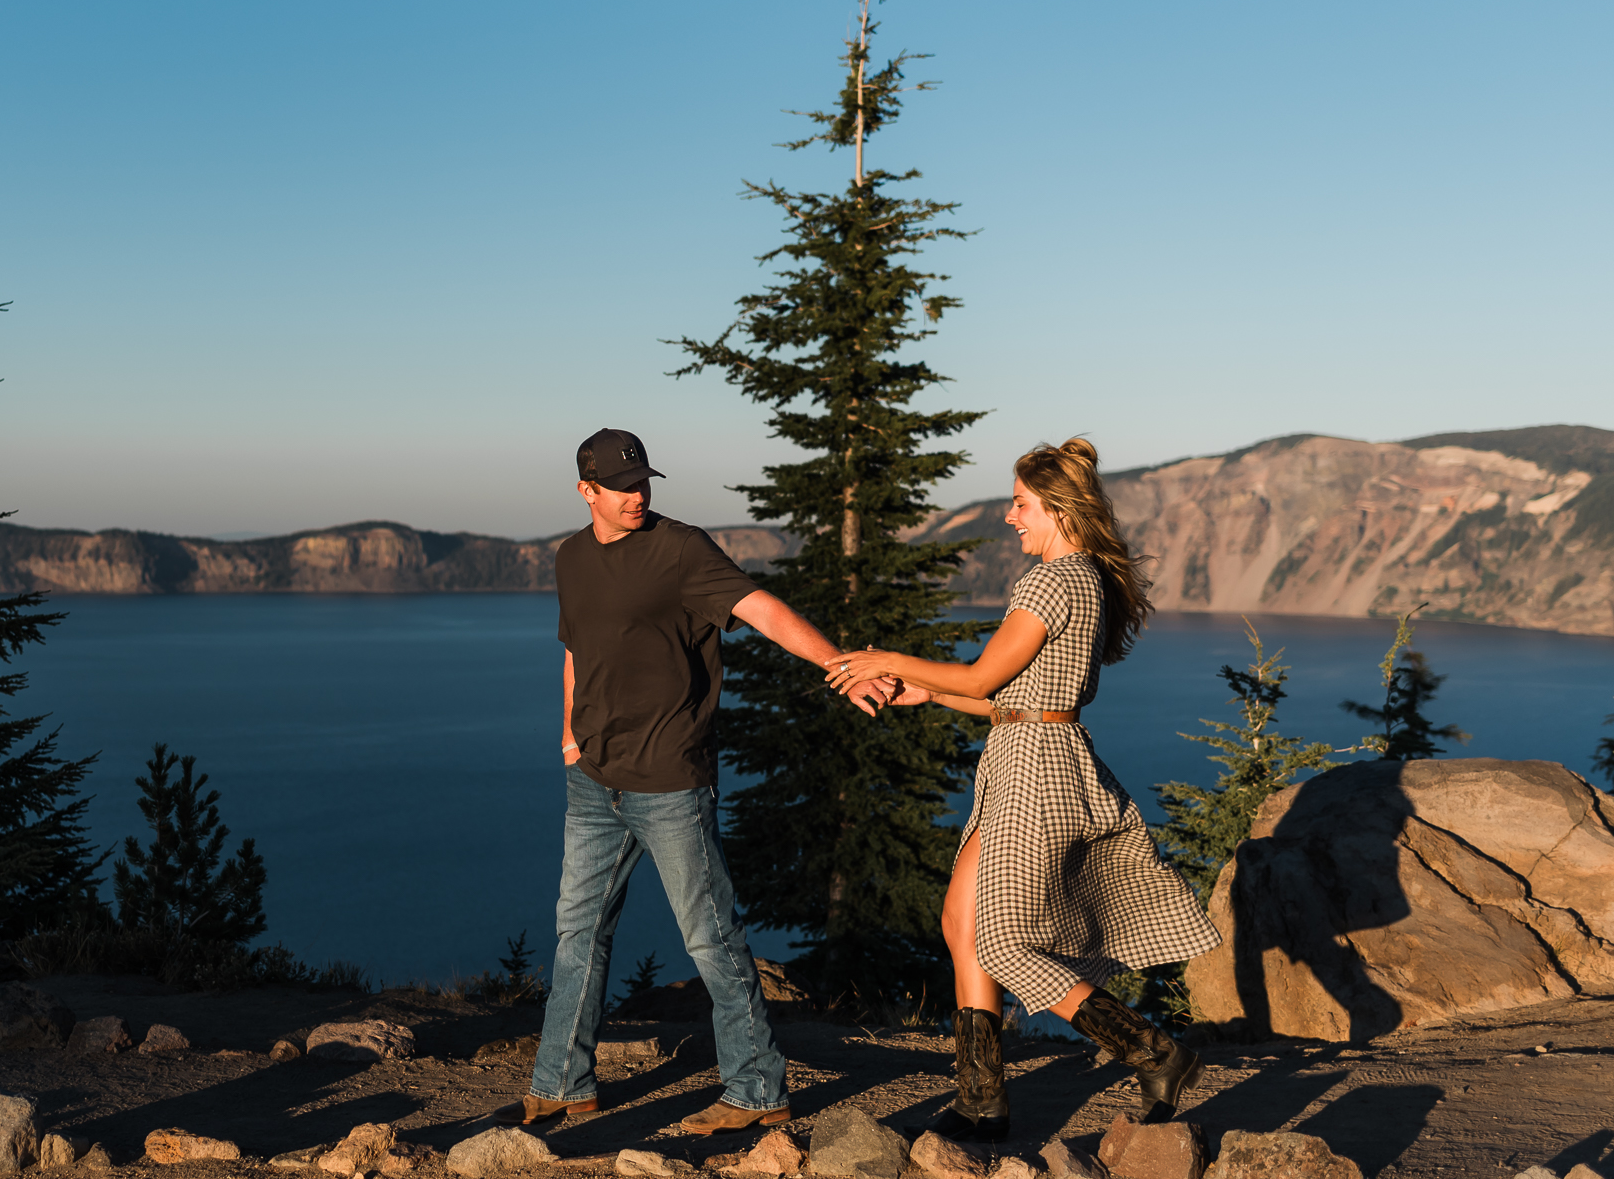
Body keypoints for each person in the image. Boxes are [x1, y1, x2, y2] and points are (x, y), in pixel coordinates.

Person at [497, 428, 894, 1137]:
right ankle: (562, 1085)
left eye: (643, 481)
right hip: (593, 780)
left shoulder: (680, 549)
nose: (637, 495)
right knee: (576, 935)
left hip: (670, 779)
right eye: (622, 485)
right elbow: (575, 652)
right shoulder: (572, 557)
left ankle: (755, 1091)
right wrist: (567, 736)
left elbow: (761, 609)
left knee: (711, 938)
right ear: (586, 490)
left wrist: (839, 665)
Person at [830, 438, 1219, 1139]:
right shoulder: (1086, 580)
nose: (1010, 517)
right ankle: (982, 1100)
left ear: (1058, 508)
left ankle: (1154, 1050)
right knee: (960, 924)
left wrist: (886, 657)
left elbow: (983, 677)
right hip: (1029, 749)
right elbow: (1013, 697)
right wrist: (925, 692)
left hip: (1034, 771)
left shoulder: (1050, 582)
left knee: (1002, 943)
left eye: (1019, 503)